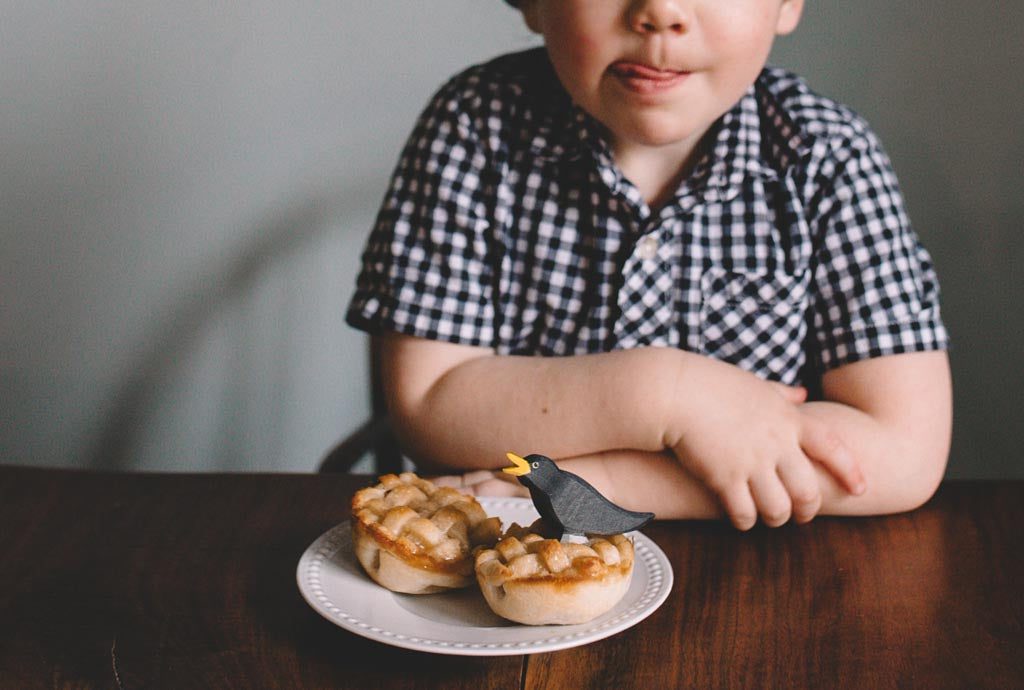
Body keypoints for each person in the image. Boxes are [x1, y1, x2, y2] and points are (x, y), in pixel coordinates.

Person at [346, 0, 952, 530]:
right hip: (507, 553)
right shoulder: (474, 127)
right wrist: (669, 395)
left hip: (755, 582)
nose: (661, 10)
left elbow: (905, 454)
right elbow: (428, 407)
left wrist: (604, 487)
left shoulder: (829, 158)